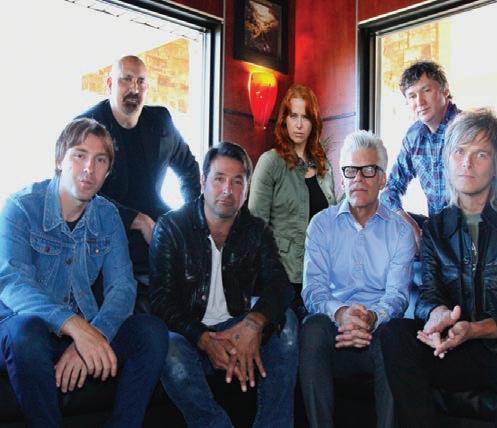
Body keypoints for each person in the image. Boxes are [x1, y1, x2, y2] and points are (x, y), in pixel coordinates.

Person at [380, 108, 497, 428]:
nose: (466, 162)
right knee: (395, 335)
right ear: (447, 159)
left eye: (480, 154)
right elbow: (428, 295)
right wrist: (437, 313)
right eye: (459, 151)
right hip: (454, 348)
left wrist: (477, 329)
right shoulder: (435, 228)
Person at [0, 118, 168, 427]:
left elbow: (123, 287)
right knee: (26, 333)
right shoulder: (21, 207)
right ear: (59, 160)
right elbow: (13, 283)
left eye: (100, 160)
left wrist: (95, 334)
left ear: (107, 171)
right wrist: (77, 328)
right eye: (79, 155)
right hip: (27, 329)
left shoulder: (108, 215)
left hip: (85, 328)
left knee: (152, 332)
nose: (89, 168)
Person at [149, 142, 298, 428]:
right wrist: (202, 338)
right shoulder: (171, 228)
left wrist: (254, 323)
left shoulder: (256, 230)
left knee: (287, 323)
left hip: (237, 331)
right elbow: (160, 300)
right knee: (168, 348)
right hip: (189, 336)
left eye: (237, 181)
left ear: (247, 189)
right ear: (203, 182)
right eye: (219, 179)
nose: (228, 190)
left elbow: (280, 285)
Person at [299, 130, 416, 428]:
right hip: (333, 328)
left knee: (394, 338)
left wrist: (370, 318)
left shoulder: (400, 232)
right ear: (342, 178)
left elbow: (397, 297)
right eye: (350, 170)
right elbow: (313, 290)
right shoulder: (321, 225)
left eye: (368, 170)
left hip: (378, 330)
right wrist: (341, 314)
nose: (358, 179)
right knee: (312, 328)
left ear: (383, 179)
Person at [78, 55, 200, 309]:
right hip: (103, 231)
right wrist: (136, 219)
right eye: (126, 79)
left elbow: (189, 169)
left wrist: (190, 218)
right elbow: (79, 192)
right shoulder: (88, 127)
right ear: (110, 84)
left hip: (155, 227)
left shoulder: (160, 121)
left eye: (141, 81)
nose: (134, 88)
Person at [249, 84, 336, 318]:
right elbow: (255, 226)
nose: (299, 124)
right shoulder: (271, 162)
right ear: (284, 120)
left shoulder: (324, 167)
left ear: (313, 123)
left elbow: (332, 219)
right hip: (280, 276)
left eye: (305, 117)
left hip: (319, 274)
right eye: (293, 116)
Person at [380, 60, 459, 245]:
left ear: (445, 90)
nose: (420, 102)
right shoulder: (414, 136)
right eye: (412, 96)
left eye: (426, 90)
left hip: (473, 234)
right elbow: (390, 190)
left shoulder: (466, 128)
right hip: (438, 237)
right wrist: (407, 221)